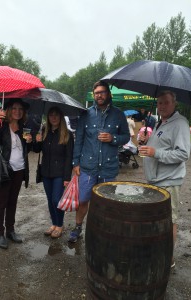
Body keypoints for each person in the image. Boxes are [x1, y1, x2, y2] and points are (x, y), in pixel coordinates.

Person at [68, 80, 130, 243]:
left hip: (108, 167)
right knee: (83, 200)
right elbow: (79, 139)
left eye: (102, 92)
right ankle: (78, 227)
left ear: (108, 94)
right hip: (88, 166)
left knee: (106, 202)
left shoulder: (118, 114)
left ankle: (103, 230)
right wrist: (75, 163)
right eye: (96, 93)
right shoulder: (86, 114)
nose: (99, 96)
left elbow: (126, 136)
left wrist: (113, 138)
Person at [138, 90, 190, 267]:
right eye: (159, 103)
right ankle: (157, 251)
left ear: (174, 103)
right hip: (156, 180)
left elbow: (183, 154)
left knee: (169, 221)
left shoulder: (180, 123)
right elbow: (159, 146)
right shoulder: (161, 122)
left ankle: (168, 259)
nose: (162, 106)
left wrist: (155, 152)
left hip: (169, 181)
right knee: (158, 219)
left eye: (166, 102)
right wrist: (146, 142)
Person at [0, 99, 32, 249]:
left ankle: (10, 231)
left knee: (12, 202)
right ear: (8, 110)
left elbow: (24, 149)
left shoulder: (22, 127)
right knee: (1, 203)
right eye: (14, 108)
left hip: (19, 170)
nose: (18, 111)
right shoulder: (1, 125)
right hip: (4, 170)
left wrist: (29, 141)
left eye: (20, 108)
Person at [34, 107, 74, 238]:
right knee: (50, 199)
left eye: (56, 115)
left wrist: (67, 176)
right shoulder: (44, 131)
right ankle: (54, 223)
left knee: (57, 199)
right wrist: (37, 141)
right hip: (46, 171)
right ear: (48, 117)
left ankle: (60, 225)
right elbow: (36, 150)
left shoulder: (67, 134)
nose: (54, 117)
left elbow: (69, 157)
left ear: (61, 117)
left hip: (60, 173)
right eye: (51, 115)